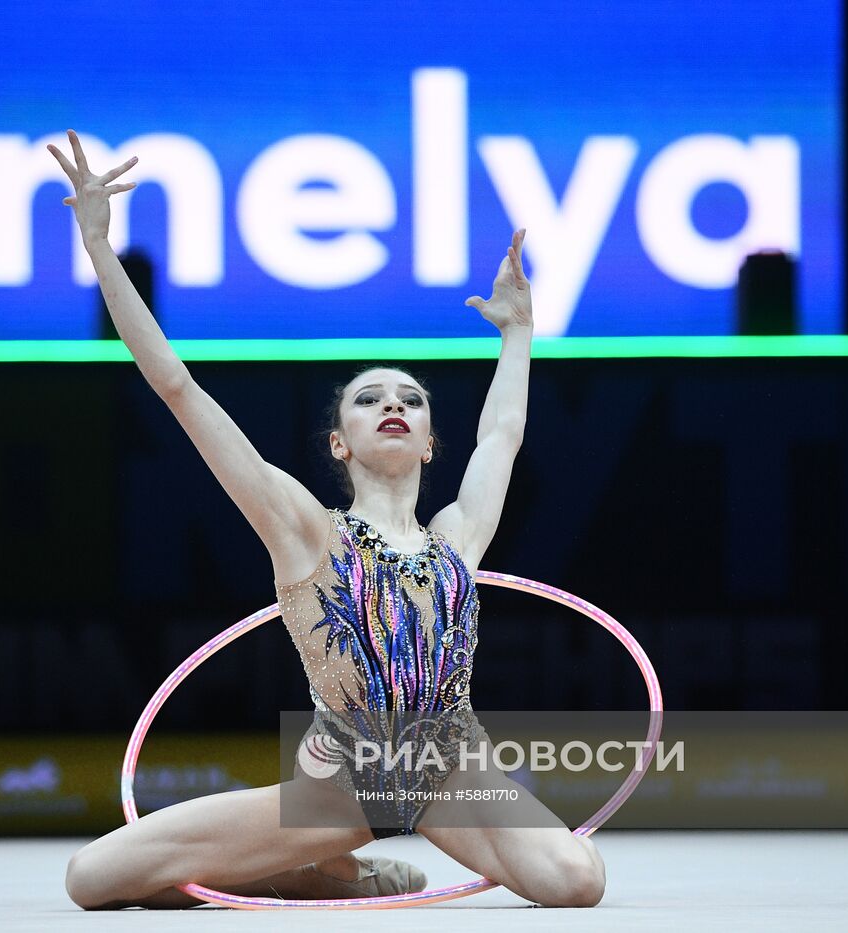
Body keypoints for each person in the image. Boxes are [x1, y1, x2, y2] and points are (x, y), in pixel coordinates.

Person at [51, 130, 604, 909]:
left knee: (576, 879)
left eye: (411, 399)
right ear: (340, 440)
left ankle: (318, 871)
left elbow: (503, 435)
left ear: (428, 440)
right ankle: (321, 872)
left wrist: (518, 332)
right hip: (338, 781)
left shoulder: (456, 537)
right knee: (91, 878)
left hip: (452, 769)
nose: (394, 405)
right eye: (371, 397)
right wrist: (101, 249)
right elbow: (178, 388)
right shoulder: (306, 529)